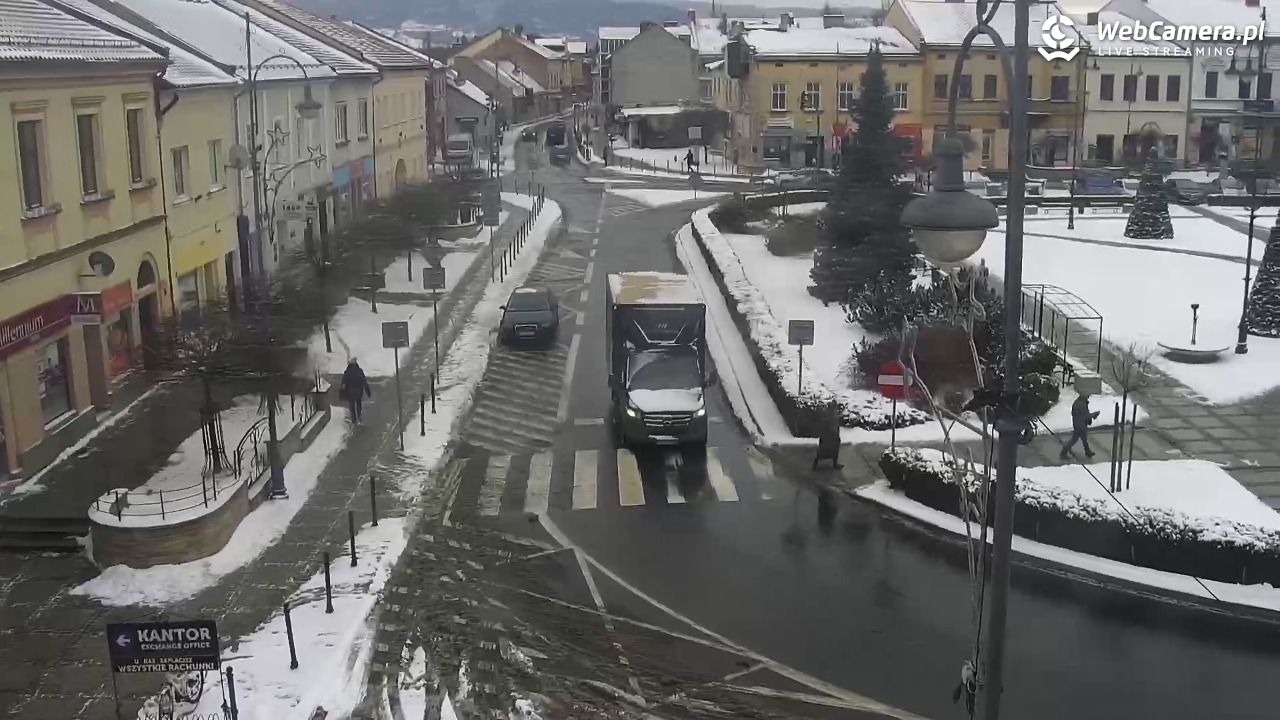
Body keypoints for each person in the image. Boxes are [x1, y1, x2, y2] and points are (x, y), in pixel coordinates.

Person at [1061, 393, 1100, 459]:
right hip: (1080, 425)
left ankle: (1087, 451)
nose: (1088, 397)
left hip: (1078, 423)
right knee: (1074, 439)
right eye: (1088, 395)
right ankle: (1064, 452)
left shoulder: (1079, 402)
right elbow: (1086, 416)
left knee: (1084, 439)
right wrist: (1094, 414)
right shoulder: (1081, 404)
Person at [341, 358, 372, 424]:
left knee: (352, 406)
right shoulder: (359, 371)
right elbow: (364, 381)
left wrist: (343, 391)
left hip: (350, 391)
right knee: (358, 404)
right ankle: (359, 416)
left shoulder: (347, 371)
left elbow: (343, 382)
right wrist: (368, 391)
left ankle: (354, 419)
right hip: (358, 391)